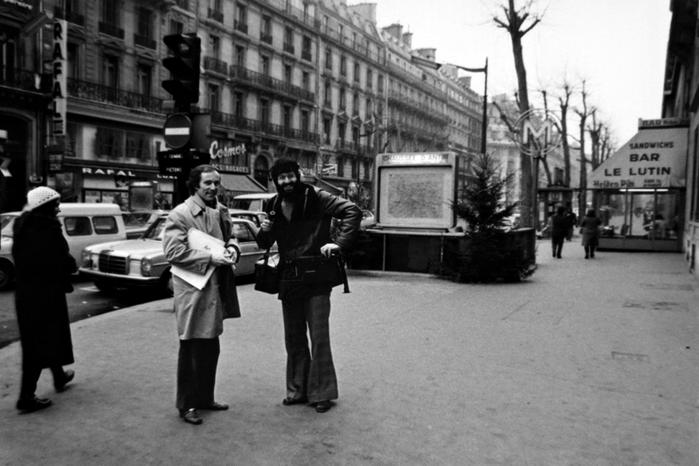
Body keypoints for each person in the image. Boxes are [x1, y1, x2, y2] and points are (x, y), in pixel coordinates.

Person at [257, 157, 361, 414]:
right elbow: (264, 242)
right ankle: (297, 390)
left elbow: (352, 211)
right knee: (293, 338)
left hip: (317, 276)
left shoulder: (318, 196)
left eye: (291, 176)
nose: (287, 181)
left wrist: (339, 243)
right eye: (281, 178)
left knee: (319, 337)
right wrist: (265, 230)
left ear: (298, 174)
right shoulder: (272, 203)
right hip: (289, 277)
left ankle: (321, 393)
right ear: (276, 181)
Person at [162, 165, 241, 425]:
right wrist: (211, 257)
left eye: (216, 183)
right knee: (191, 348)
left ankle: (206, 397)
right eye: (207, 183)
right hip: (193, 292)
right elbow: (173, 253)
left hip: (214, 288)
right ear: (195, 184)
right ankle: (187, 405)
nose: (213, 188)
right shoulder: (181, 214)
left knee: (211, 345)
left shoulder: (220, 210)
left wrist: (232, 249)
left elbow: (231, 238)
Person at [12, 187, 77, 413]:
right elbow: (59, 258)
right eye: (55, 204)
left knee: (45, 338)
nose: (58, 208)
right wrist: (70, 267)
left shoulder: (23, 225)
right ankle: (26, 397)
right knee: (40, 343)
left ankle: (59, 376)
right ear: (46, 207)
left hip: (27, 295)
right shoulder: (46, 229)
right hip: (46, 295)